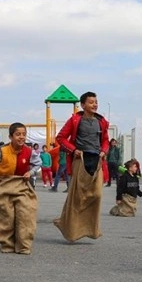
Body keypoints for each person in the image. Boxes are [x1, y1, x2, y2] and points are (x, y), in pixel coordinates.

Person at [54, 91, 110, 242]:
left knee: (97, 195)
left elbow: (105, 140)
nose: (95, 105)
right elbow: (60, 137)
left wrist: (104, 151)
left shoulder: (102, 121)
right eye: (91, 102)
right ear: (83, 105)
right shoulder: (74, 120)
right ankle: (68, 228)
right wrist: (74, 150)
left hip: (97, 160)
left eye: (96, 102)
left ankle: (91, 229)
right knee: (77, 197)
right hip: (81, 159)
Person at [0, 123, 42, 254]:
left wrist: (31, 172)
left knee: (26, 214)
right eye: (18, 134)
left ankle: (23, 245)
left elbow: (38, 163)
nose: (21, 137)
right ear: (11, 136)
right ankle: (7, 244)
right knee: (5, 216)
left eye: (23, 134)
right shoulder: (2, 151)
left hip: (22, 185)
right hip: (4, 185)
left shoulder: (29, 151)